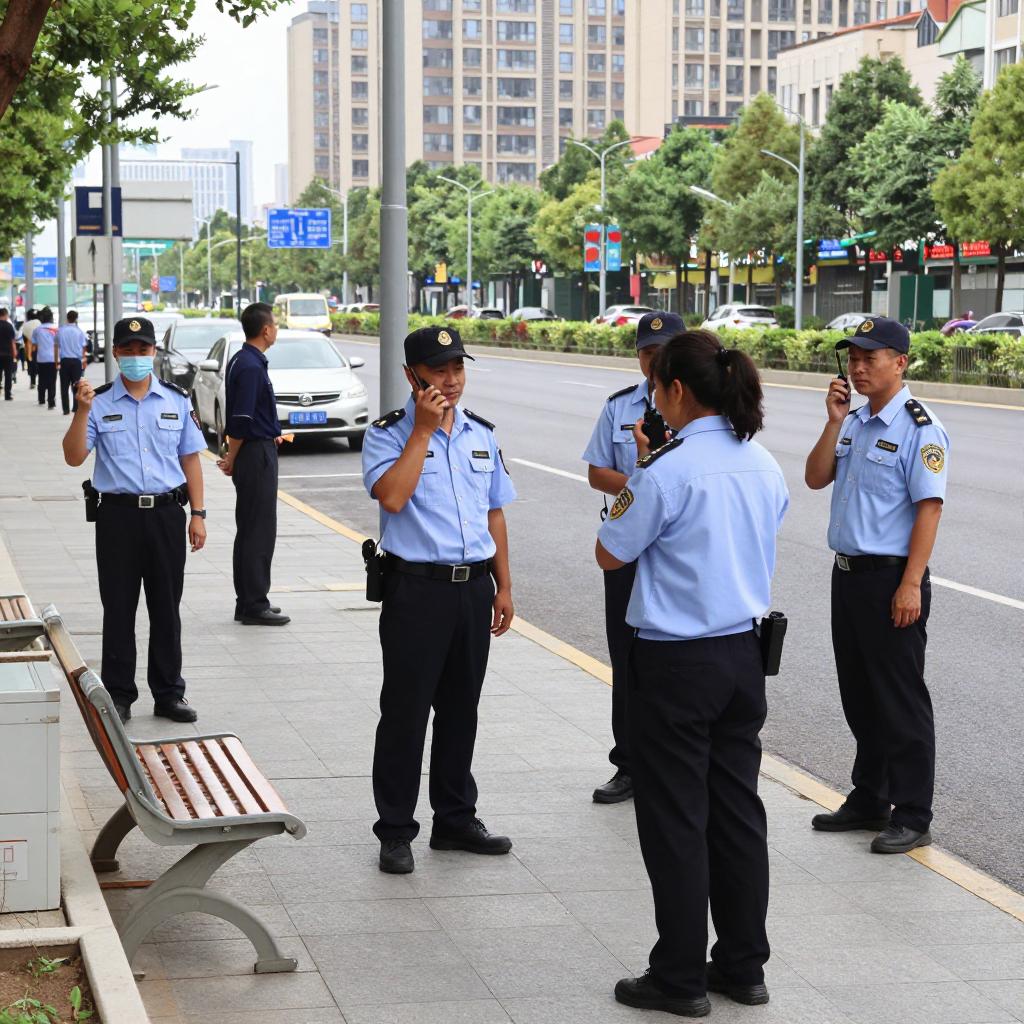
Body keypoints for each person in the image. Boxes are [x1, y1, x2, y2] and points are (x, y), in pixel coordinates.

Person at [596, 330, 789, 1018]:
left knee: (676, 819)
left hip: (676, 662)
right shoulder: (762, 462)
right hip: (743, 657)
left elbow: (610, 552)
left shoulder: (667, 470)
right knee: (738, 814)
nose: (655, 402)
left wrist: (643, 470)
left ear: (677, 390)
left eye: (658, 389)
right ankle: (742, 965)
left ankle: (677, 975)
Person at [361, 325, 516, 875]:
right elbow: (392, 497)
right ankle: (395, 829)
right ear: (412, 376)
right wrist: (423, 432)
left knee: (460, 710)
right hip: (416, 590)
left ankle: (454, 819)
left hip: (472, 587)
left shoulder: (480, 433)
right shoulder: (387, 435)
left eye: (457, 369)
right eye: (437, 371)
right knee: (405, 713)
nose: (450, 381)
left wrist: (504, 585)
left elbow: (494, 511)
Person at [805, 316, 948, 855]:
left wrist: (910, 584)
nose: (858, 367)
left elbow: (929, 509)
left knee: (900, 699)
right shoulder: (854, 422)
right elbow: (815, 477)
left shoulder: (920, 428)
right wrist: (833, 422)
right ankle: (870, 797)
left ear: (900, 362)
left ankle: (913, 813)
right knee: (860, 695)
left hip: (891, 579)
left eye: (869, 358)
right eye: (853, 358)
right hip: (848, 577)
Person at [61, 316, 208, 725]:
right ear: (115, 353)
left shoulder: (177, 400)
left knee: (167, 608)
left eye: (143, 349)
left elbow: (190, 460)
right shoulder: (98, 402)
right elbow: (73, 456)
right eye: (128, 350)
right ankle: (119, 694)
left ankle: (169, 694)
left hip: (166, 515)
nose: (136, 356)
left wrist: (198, 514)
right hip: (117, 519)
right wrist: (81, 411)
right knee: (119, 609)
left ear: (154, 352)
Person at [582, 310, 683, 806]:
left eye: (664, 352)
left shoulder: (702, 406)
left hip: (678, 551)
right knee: (626, 657)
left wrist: (655, 486)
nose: (655, 361)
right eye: (647, 352)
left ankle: (674, 760)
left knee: (679, 656)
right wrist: (646, 486)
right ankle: (628, 763)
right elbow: (597, 473)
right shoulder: (619, 406)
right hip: (627, 549)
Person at [217, 302, 290, 626]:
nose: (276, 329)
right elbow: (242, 419)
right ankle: (254, 604)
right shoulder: (250, 366)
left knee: (250, 529)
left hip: (257, 448)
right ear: (266, 330)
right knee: (258, 531)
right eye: (275, 324)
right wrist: (232, 457)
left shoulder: (245, 360)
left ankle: (248, 600)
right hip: (254, 454)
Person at [56, 310, 89, 415]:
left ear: (67, 318)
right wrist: (84, 360)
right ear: (76, 318)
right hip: (76, 362)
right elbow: (84, 347)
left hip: (64, 361)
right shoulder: (80, 331)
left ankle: (65, 409)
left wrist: (56, 361)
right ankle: (76, 407)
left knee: (64, 386)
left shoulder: (61, 331)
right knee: (77, 386)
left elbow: (56, 346)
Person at [33, 308, 58, 409]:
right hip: (53, 359)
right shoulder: (56, 329)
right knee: (52, 380)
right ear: (51, 317)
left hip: (41, 358)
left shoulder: (37, 330)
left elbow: (34, 344)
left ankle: (41, 399)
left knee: (42, 379)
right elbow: (58, 345)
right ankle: (51, 402)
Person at [22, 308, 40, 391]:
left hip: (29, 348)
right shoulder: (39, 323)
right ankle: (40, 381)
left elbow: (24, 338)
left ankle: (32, 382)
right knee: (39, 365)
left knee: (31, 365)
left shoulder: (26, 325)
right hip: (39, 348)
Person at [0, 309, 16, 401]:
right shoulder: (9, 326)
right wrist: (14, 352)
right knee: (8, 375)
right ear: (5, 315)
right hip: (8, 354)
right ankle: (7, 395)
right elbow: (12, 341)